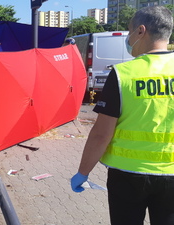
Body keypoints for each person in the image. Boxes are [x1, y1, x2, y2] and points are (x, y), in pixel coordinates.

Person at [70, 6, 174, 225]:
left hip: (128, 176)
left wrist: (83, 172)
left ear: (141, 31)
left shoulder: (123, 74)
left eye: (129, 31)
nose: (128, 38)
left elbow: (101, 134)